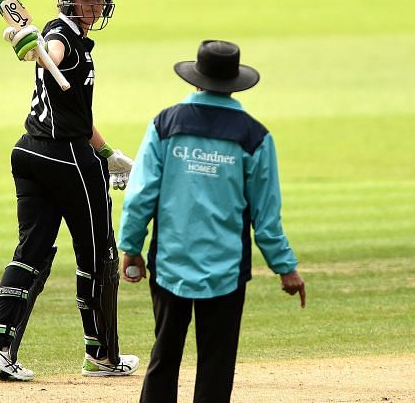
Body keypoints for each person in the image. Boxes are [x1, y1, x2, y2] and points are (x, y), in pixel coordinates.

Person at [0, 0, 140, 381]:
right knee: (99, 253)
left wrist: (107, 154)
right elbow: (50, 52)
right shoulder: (60, 36)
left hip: (32, 154)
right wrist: (25, 42)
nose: (93, 5)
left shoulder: (78, 41)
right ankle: (101, 355)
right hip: (66, 159)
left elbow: (78, 116)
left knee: (32, 252)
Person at [118, 40, 306, 402]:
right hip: (227, 268)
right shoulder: (256, 136)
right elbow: (266, 217)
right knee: (217, 364)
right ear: (235, 83)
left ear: (196, 80)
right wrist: (286, 268)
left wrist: (131, 248)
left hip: (170, 262)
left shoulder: (165, 123)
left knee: (165, 355)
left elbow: (141, 195)